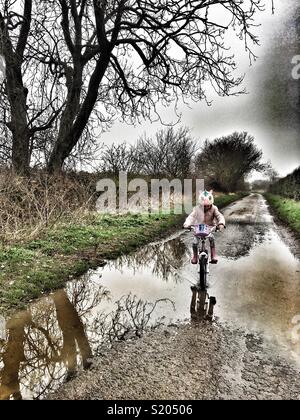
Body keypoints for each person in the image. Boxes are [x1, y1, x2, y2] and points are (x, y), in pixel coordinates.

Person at [183, 190, 225, 264]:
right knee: (195, 242)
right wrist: (187, 224)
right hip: (198, 228)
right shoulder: (196, 209)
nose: (206, 207)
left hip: (209, 227)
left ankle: (213, 255)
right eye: (204, 206)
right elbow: (191, 217)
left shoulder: (214, 208)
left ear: (211, 203)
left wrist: (221, 223)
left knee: (212, 238)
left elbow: (219, 216)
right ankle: (195, 256)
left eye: (208, 205)